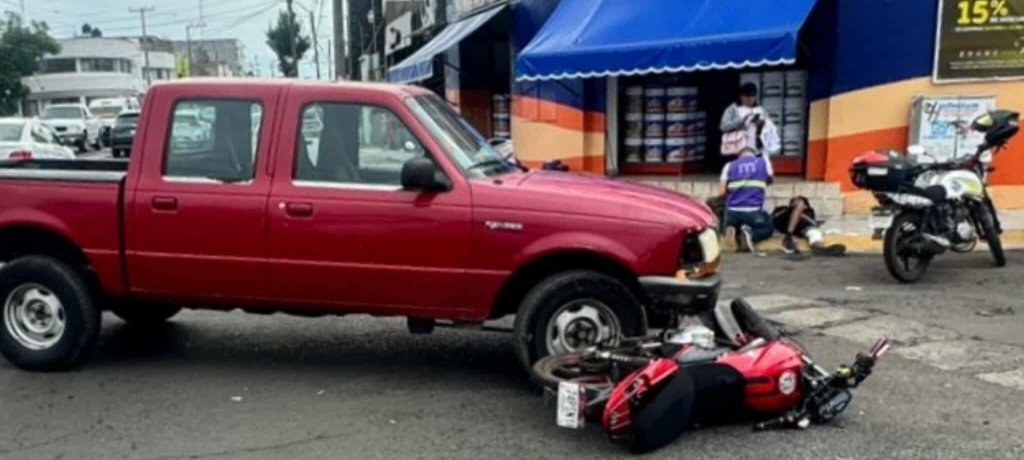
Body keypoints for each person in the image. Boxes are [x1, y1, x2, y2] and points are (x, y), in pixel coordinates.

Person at [719, 148, 774, 252]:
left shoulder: (729, 165)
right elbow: (771, 179)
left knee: (724, 221)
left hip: (732, 212)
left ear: (739, 156)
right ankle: (750, 234)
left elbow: (721, 192)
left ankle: (730, 229)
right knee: (768, 228)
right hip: (753, 212)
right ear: (753, 154)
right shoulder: (763, 162)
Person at [720, 83, 781, 163]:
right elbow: (723, 126)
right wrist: (741, 122)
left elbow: (771, 127)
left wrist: (762, 124)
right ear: (741, 96)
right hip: (738, 151)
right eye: (747, 96)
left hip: (757, 151)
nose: (750, 99)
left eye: (752, 96)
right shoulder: (733, 109)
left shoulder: (760, 109)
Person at [771, 197, 847, 256]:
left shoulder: (809, 212)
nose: (799, 204)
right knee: (800, 207)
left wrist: (801, 214)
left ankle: (819, 248)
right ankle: (788, 238)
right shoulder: (784, 209)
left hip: (801, 228)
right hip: (785, 223)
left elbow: (814, 224)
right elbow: (773, 218)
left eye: (803, 204)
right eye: (795, 201)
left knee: (814, 233)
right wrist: (793, 209)